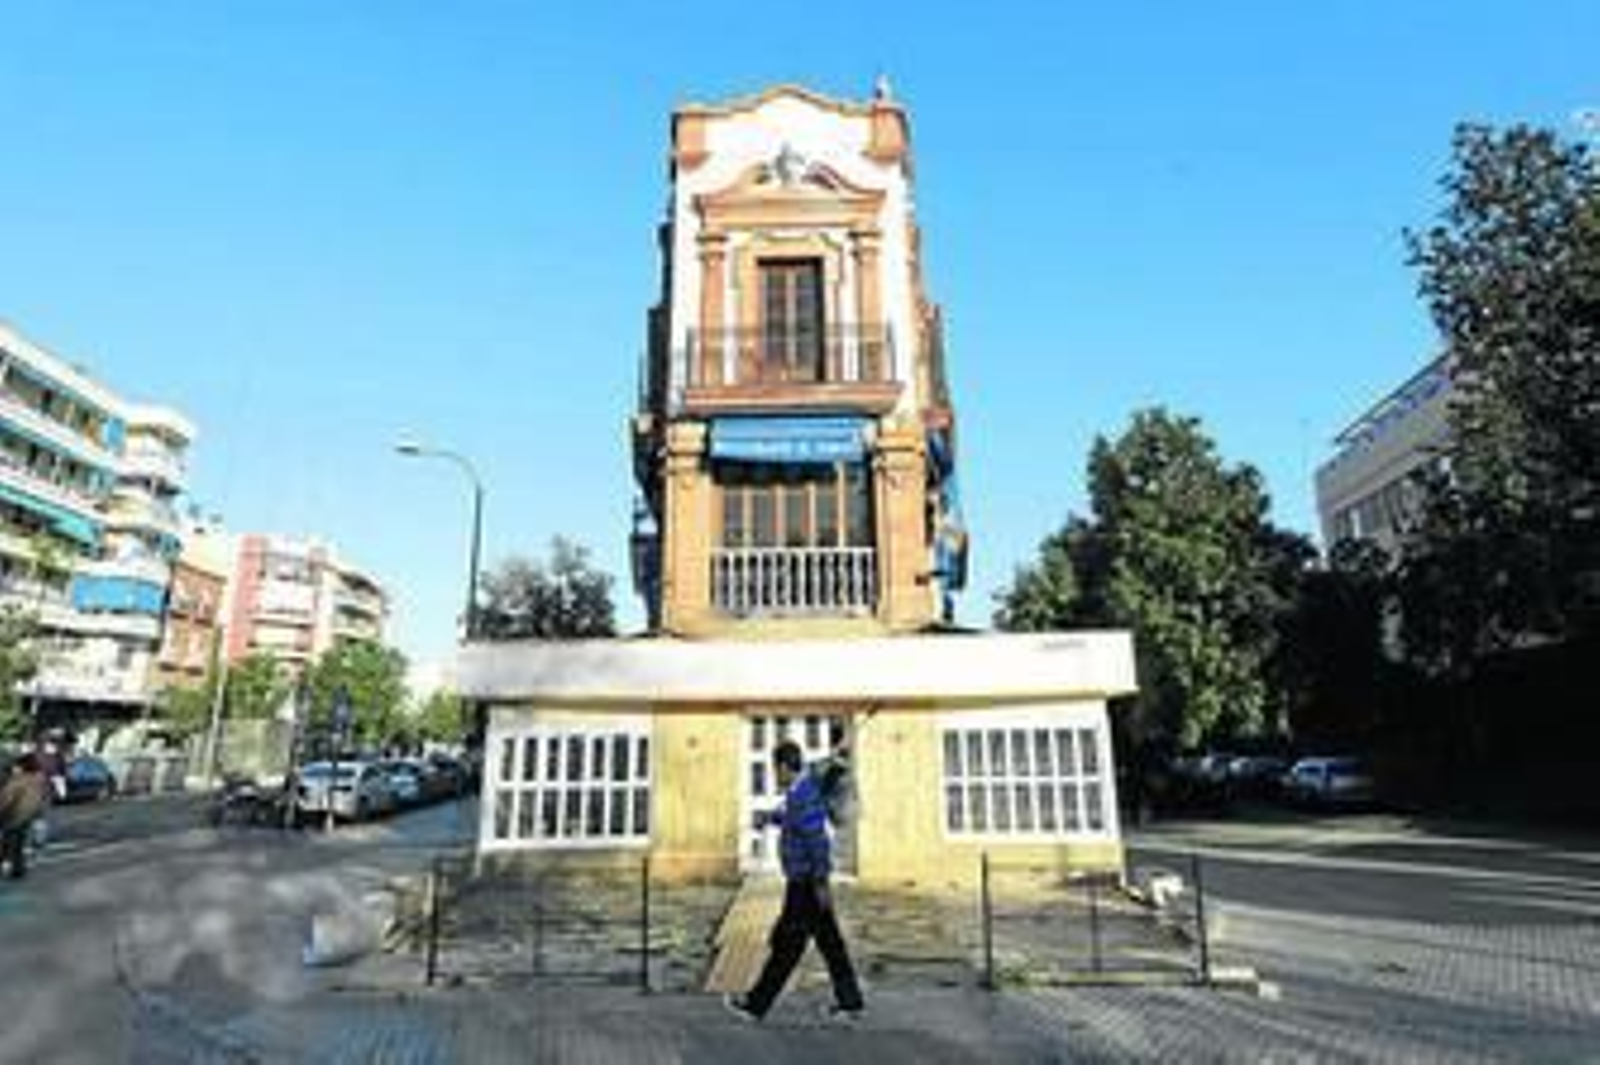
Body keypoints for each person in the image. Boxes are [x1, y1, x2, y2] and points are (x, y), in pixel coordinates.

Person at [725, 739, 864, 1023]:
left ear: (786, 767)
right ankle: (850, 1004)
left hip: (806, 886)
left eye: (776, 770)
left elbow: (817, 841)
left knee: (786, 946)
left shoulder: (803, 794)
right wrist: (770, 817)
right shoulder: (800, 791)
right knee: (827, 945)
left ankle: (755, 1006)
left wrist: (822, 883)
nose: (775, 775)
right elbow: (793, 819)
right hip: (806, 885)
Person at [0, 754, 50, 879]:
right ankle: (18, 869)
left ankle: (13, 866)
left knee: (9, 841)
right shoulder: (40, 779)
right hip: (29, 815)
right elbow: (45, 797)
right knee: (18, 843)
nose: (14, 767)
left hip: (14, 815)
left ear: (23, 766)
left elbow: (6, 799)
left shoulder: (17, 781)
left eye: (17, 765)